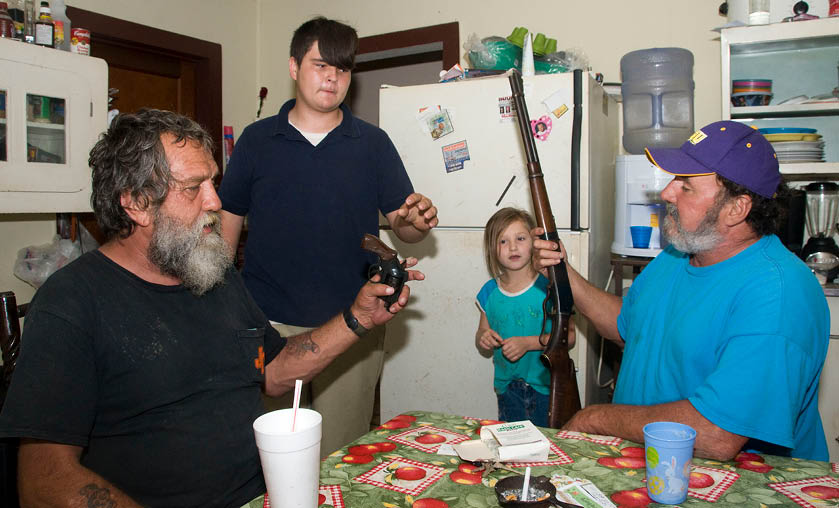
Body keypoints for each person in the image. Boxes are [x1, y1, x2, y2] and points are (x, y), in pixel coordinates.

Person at [0, 109, 423, 508]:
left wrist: (360, 316)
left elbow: (273, 371)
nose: (215, 201)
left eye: (213, 183)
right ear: (136, 204)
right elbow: (43, 481)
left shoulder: (213, 275)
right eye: (193, 188)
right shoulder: (71, 302)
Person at [533, 121, 829, 461]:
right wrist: (565, 275)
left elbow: (716, 434)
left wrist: (596, 418)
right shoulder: (679, 254)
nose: (667, 193)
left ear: (737, 208)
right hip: (653, 467)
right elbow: (629, 326)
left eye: (686, 186)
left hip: (742, 487)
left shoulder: (778, 293)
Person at [218, 17, 438, 454]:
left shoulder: (374, 144)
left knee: (341, 456)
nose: (332, 77)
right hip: (267, 326)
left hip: (351, 327)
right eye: (321, 65)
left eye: (342, 68)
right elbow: (227, 224)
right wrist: (219, 306)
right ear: (294, 67)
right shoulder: (257, 140)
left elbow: (405, 227)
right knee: (268, 455)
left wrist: (417, 218)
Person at [475, 208, 575, 427]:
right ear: (492, 249)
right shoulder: (489, 291)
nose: (512, 247)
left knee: (547, 451)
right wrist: (484, 337)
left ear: (534, 242)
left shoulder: (550, 286)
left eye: (520, 238)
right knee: (513, 451)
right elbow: (481, 334)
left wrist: (527, 344)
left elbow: (571, 337)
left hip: (546, 387)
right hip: (506, 389)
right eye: (503, 241)